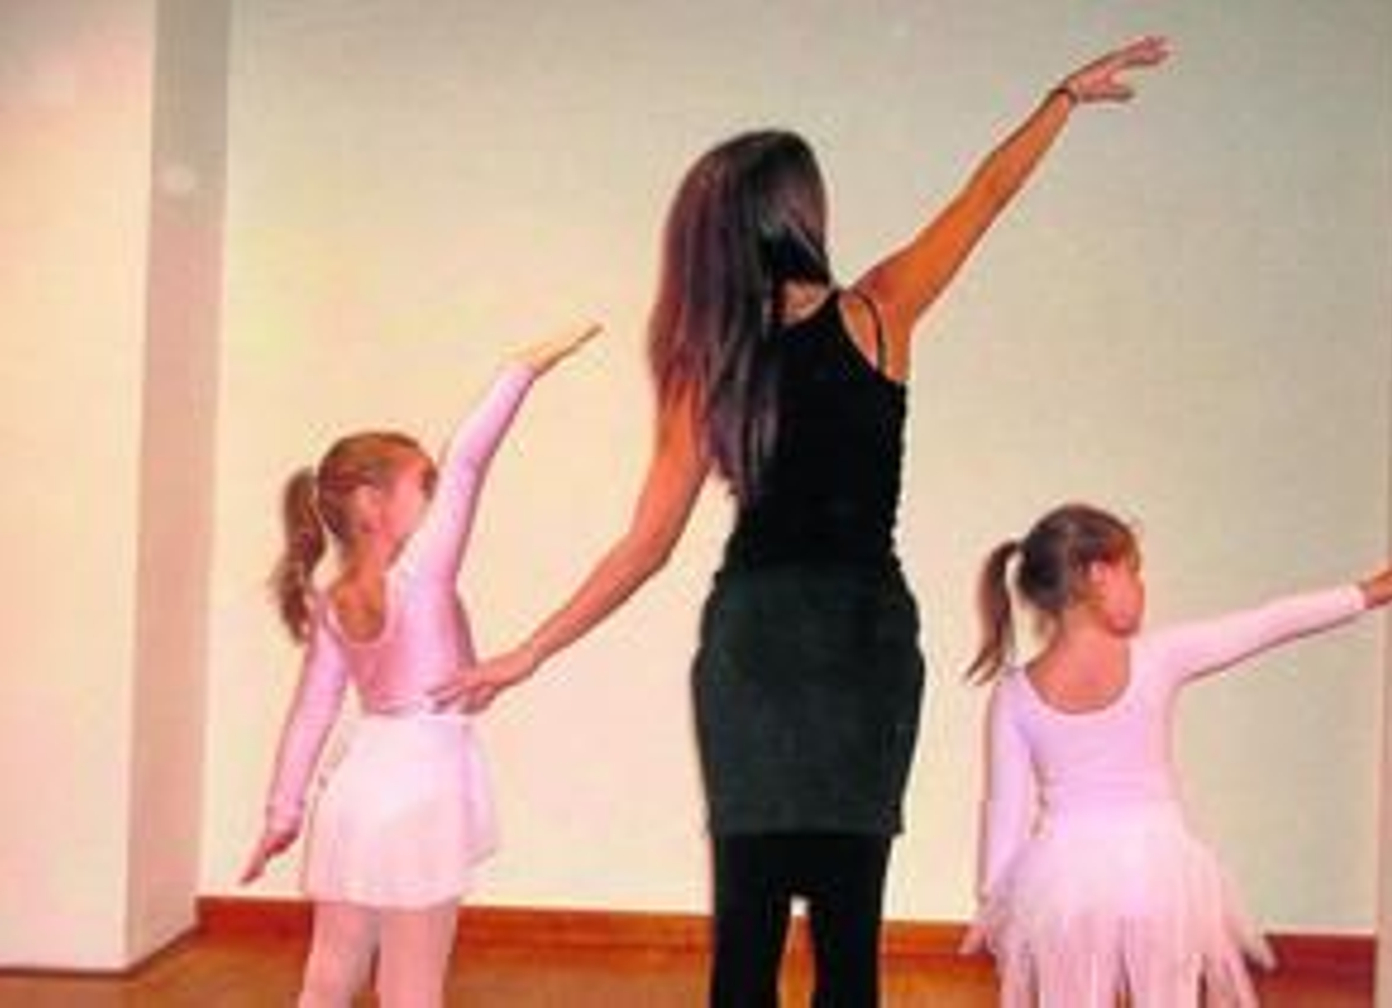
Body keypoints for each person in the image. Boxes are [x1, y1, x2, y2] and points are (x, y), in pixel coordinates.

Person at [431, 36, 1170, 1007]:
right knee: (829, 940)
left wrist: (1059, 103)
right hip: (832, 644)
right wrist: (1059, 102)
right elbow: (981, 199)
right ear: (796, 217)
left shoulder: (755, 348)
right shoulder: (862, 318)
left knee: (771, 939)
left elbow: (646, 544)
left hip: (795, 645)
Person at [962, 503, 1392, 1007]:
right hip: (1158, 868)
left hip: (1064, 882)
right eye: (1135, 571)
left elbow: (1004, 810)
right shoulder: (1157, 656)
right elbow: (1268, 623)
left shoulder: (1015, 693)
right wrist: (1373, 590)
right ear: (1098, 573)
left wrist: (1000, 908)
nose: (1143, 587)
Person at [239, 324, 598, 1008]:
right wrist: (521, 369)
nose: (437, 501)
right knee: (413, 986)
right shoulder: (420, 578)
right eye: (422, 487)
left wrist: (282, 813)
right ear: (374, 506)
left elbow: (311, 716)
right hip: (421, 794)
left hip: (356, 790)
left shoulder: (331, 600)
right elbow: (466, 462)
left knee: (329, 974)